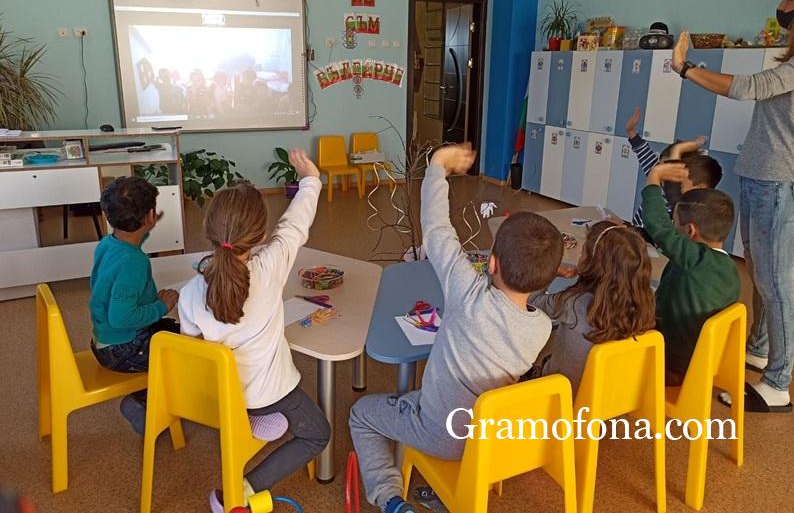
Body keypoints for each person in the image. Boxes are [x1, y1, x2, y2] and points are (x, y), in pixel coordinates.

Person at [349, 143, 563, 513]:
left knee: (362, 414)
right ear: (547, 278)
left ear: (491, 263)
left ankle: (389, 499)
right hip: (490, 438)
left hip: (442, 434)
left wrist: (436, 167)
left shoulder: (469, 295)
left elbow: (437, 229)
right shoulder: (542, 328)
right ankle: (450, 492)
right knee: (418, 399)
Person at [671, 0, 794, 411]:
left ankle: (778, 383)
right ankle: (761, 348)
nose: (781, 7)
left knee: (777, 281)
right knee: (761, 273)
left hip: (780, 183)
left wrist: (686, 68)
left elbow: (748, 88)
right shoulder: (792, 56)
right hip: (765, 177)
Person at [177, 151, 330, 512]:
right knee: (317, 433)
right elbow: (294, 227)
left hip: (220, 398)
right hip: (269, 393)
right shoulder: (269, 267)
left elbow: (191, 349)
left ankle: (249, 420)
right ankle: (242, 490)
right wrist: (311, 179)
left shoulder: (190, 292)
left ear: (209, 232)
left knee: (269, 414)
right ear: (261, 235)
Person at [89, 176, 180, 434]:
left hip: (106, 340)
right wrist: (161, 306)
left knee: (178, 333)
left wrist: (147, 226)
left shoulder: (109, 243)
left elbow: (133, 236)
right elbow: (122, 317)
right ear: (150, 215)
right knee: (189, 351)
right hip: (123, 348)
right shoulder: (134, 263)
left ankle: (146, 395)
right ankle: (141, 402)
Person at [527, 221, 656, 395]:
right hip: (608, 400)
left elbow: (531, 301)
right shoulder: (645, 304)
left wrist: (551, 271)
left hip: (564, 398)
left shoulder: (574, 302)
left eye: (583, 252)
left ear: (592, 262)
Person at [642, 163, 740, 385]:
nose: (672, 227)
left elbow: (657, 225)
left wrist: (654, 176)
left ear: (690, 231)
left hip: (671, 366)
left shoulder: (696, 261)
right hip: (700, 362)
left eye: (674, 223)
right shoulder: (728, 267)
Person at [624, 107, 722, 236]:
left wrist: (682, 148)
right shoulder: (657, 173)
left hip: (655, 242)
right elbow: (642, 150)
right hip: (637, 231)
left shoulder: (680, 199)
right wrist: (631, 131)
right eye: (661, 166)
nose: (661, 171)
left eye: (668, 168)